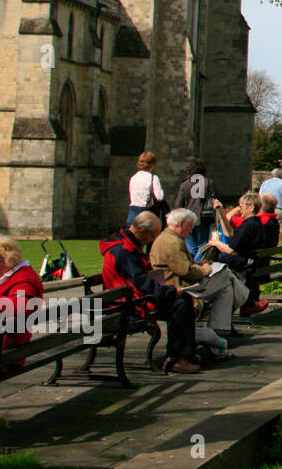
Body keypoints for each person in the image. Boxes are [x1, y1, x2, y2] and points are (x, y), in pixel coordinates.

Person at [100, 211, 200, 373]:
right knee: (180, 304)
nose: (153, 240)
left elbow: (141, 279)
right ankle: (176, 358)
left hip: (131, 298)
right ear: (142, 232)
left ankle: (184, 354)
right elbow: (141, 282)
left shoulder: (128, 246)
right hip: (127, 305)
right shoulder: (124, 250)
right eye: (153, 235)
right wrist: (169, 291)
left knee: (184, 300)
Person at [151, 208, 248, 347]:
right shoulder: (171, 242)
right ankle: (240, 303)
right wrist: (204, 269)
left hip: (180, 282)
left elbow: (181, 265)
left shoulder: (170, 238)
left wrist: (199, 264)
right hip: (181, 286)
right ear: (180, 223)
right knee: (226, 275)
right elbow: (185, 270)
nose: (191, 231)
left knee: (226, 287)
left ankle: (218, 330)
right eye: (190, 226)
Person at [208, 194, 272, 316]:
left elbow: (231, 250)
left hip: (246, 265)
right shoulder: (253, 223)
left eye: (241, 206)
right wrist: (221, 211)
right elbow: (229, 233)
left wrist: (215, 243)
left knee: (215, 259)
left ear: (251, 207)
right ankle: (247, 303)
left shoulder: (249, 226)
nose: (239, 209)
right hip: (254, 264)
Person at [0, 234, 43, 372]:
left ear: (2, 260)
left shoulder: (23, 279)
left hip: (8, 353)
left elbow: (21, 307)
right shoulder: (12, 276)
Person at [176, 159, 217, 261]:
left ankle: (191, 265)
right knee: (202, 246)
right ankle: (197, 265)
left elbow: (179, 204)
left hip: (187, 219)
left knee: (190, 247)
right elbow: (213, 200)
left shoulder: (185, 184)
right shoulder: (208, 182)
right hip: (203, 219)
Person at [127, 151, 165, 226]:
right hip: (147, 213)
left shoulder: (133, 178)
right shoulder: (153, 178)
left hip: (133, 211)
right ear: (153, 164)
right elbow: (159, 197)